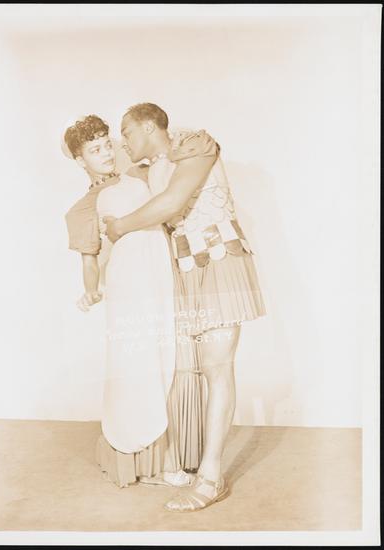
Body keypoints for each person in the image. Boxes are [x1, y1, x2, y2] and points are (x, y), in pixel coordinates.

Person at [104, 103, 267, 511]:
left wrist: (120, 225)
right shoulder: (152, 166)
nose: (123, 142)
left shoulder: (196, 143)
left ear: (148, 126)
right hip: (183, 270)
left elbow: (172, 203)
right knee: (186, 369)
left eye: (127, 132)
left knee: (217, 367)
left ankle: (211, 478)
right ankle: (184, 463)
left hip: (218, 262)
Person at [63, 115, 197, 488]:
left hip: (161, 269)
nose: (106, 153)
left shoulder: (140, 175)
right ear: (80, 160)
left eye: (107, 144)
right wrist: (91, 290)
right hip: (129, 282)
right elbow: (89, 258)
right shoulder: (82, 208)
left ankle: (175, 454)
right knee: (141, 364)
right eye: (95, 150)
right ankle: (152, 461)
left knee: (170, 358)